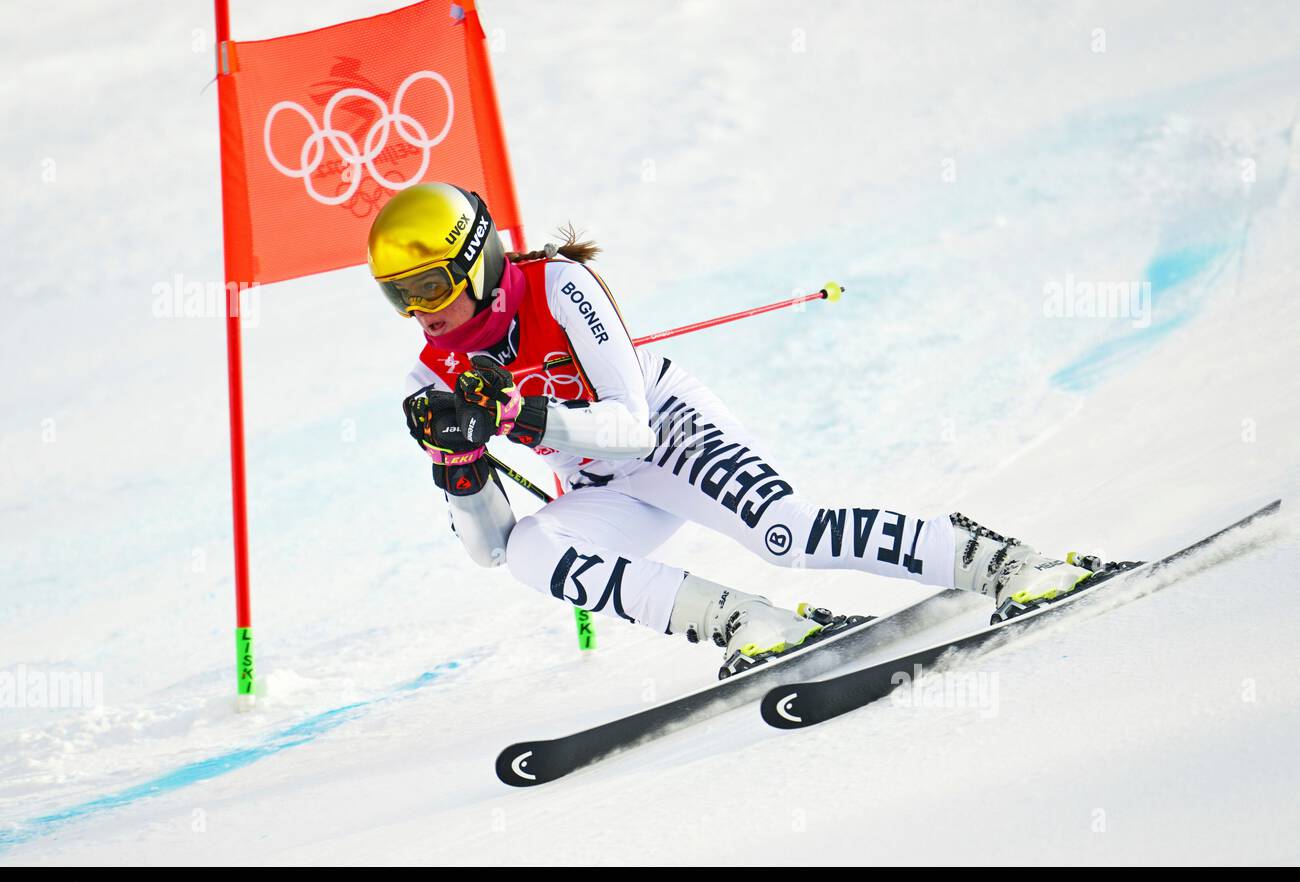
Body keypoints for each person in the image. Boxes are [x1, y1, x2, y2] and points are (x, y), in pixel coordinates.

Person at [370, 182, 1096, 677]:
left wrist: (518, 414)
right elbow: (488, 551)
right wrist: (457, 464)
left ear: (476, 261)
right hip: (601, 484)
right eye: (398, 295)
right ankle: (750, 624)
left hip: (666, 433)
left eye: (429, 285)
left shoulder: (559, 286)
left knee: (792, 537)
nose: (419, 310)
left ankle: (1003, 565)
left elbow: (631, 428)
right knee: (533, 551)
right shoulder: (429, 375)